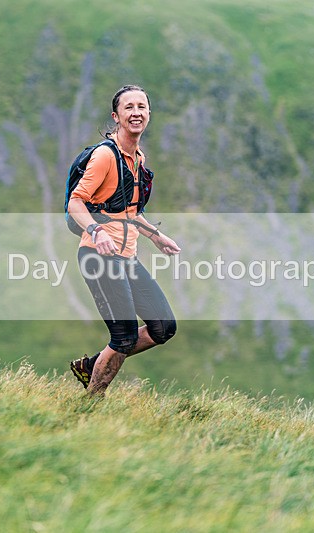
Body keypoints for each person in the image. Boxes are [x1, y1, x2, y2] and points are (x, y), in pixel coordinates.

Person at [67, 85, 180, 395]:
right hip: (98, 256)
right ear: (116, 116)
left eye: (141, 107)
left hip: (126, 256)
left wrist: (155, 236)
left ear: (148, 115)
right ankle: (92, 401)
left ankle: (92, 366)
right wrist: (95, 230)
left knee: (163, 327)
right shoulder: (106, 156)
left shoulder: (137, 158)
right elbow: (76, 202)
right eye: (128, 107)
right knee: (124, 337)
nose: (136, 112)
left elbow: (128, 210)